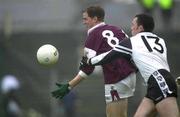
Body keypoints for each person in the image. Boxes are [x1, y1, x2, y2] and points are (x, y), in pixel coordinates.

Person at [80, 13, 179, 117]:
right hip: (159, 82)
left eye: (133, 24)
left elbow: (107, 56)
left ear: (140, 28)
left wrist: (89, 61)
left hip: (159, 82)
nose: (131, 28)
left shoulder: (132, 42)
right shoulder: (160, 40)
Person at [51, 5, 137, 117]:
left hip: (116, 78)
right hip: (130, 74)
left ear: (95, 19)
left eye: (86, 19)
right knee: (121, 114)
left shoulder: (93, 35)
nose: (83, 22)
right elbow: (131, 48)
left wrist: (69, 86)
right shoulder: (117, 29)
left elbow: (87, 69)